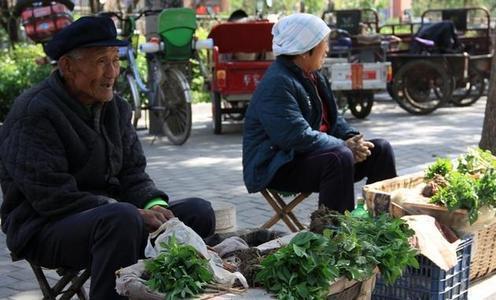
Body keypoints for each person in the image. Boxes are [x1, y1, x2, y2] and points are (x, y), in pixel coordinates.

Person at [0, 16, 215, 299]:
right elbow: (52, 197)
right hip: (44, 227)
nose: (112, 72)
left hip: (113, 217)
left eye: (115, 60)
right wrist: (131, 212)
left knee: (198, 212)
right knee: (122, 218)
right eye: (101, 61)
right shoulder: (35, 112)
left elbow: (133, 173)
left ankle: (167, 292)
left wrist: (157, 206)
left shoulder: (117, 108)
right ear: (67, 66)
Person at [242, 13, 397, 213]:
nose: (328, 49)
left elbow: (333, 119)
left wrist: (352, 139)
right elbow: (295, 137)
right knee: (339, 156)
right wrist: (343, 145)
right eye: (324, 43)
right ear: (306, 51)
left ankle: (382, 222)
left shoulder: (314, 75)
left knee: (381, 149)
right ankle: (337, 234)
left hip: (308, 154)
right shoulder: (277, 83)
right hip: (277, 165)